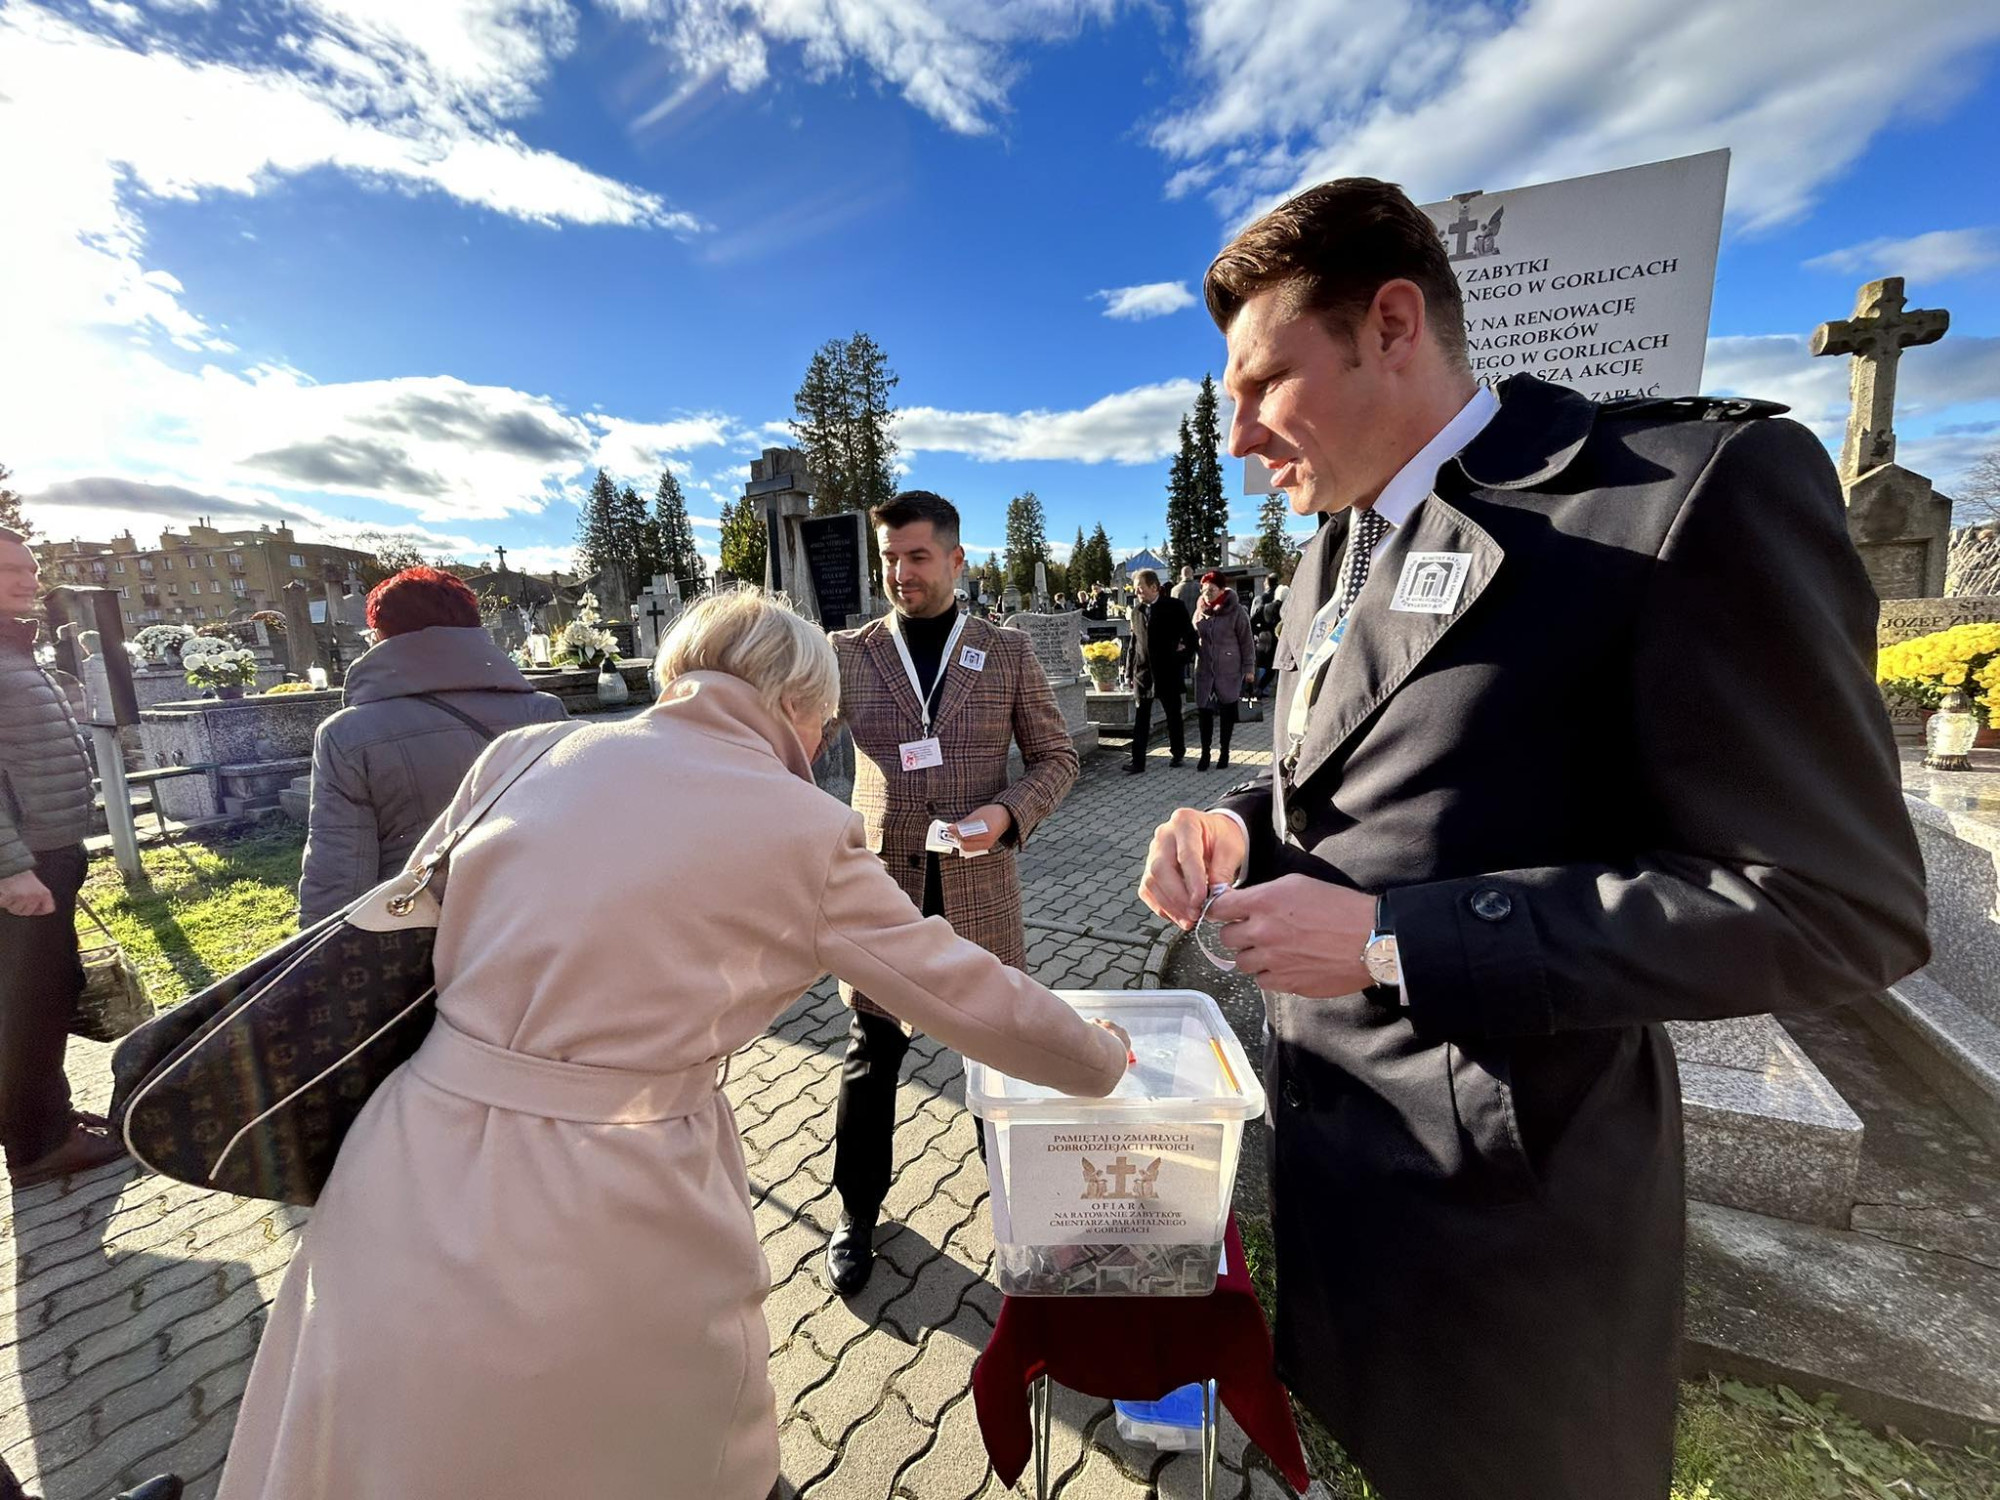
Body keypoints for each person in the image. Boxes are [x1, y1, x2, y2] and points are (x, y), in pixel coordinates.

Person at [1138, 178, 1928, 1500]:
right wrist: (1233, 826)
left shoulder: (1678, 494)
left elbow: (1832, 903)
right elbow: (1338, 794)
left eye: (1264, 382)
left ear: (1392, 325)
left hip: (1516, 1232)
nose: (1233, 438)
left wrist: (1393, 942)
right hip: (1348, 1186)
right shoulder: (1326, 560)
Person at [213, 589, 1127, 1500]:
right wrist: (1096, 1057)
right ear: (798, 707)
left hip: (407, 1150)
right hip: (616, 1184)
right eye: (825, 727)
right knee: (668, 1450)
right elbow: (963, 991)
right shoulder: (800, 827)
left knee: (381, 1439)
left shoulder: (523, 752)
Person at [823, 490, 1080, 1295]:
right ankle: (856, 1213)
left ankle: (1019, 1209)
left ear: (957, 559)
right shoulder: (849, 652)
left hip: (978, 891)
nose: (900, 573)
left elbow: (1056, 758)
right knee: (872, 1057)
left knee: (996, 1062)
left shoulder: (1003, 653)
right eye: (890, 558)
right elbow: (790, 743)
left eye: (917, 556)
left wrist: (1006, 813)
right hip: (882, 893)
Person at [297, 566, 566, 925]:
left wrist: (320, 959)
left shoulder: (348, 734)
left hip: (420, 933)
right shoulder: (544, 711)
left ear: (379, 635)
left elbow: (338, 870)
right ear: (473, 629)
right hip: (534, 920)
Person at [0, 528, 127, 1189]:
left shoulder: (12, 648)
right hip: (25, 862)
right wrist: (10, 867)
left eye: (31, 567)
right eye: (8, 569)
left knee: (44, 994)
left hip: (47, 850)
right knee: (27, 1001)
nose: (27, 579)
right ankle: (38, 1145)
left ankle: (51, 1120)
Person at [1124, 568, 1197, 775]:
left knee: (1173, 715)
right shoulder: (1137, 612)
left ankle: (1177, 752)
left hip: (1168, 672)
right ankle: (1138, 761)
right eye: (1136, 589)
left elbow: (1190, 638)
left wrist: (1180, 660)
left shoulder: (1174, 607)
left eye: (1140, 588)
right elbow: (1134, 642)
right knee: (1141, 718)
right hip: (1143, 674)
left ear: (1154, 587)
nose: (1137, 593)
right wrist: (1129, 671)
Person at [1191, 570, 1254, 772]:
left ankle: (1225, 751)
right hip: (1204, 669)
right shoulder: (1200, 609)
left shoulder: (1236, 611)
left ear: (1221, 589)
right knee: (1204, 712)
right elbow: (1193, 634)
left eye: (1212, 589)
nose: (1207, 593)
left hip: (1229, 669)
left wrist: (1249, 668)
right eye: (1204, 589)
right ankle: (1205, 753)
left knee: (1227, 712)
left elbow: (1246, 641)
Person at [1251, 580, 1285, 696]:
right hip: (1279, 641)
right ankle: (1265, 689)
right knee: (1273, 668)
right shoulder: (1286, 609)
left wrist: (1258, 632)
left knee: (1262, 664)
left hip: (1264, 639)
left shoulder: (1264, 606)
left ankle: (1258, 689)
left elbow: (1252, 622)